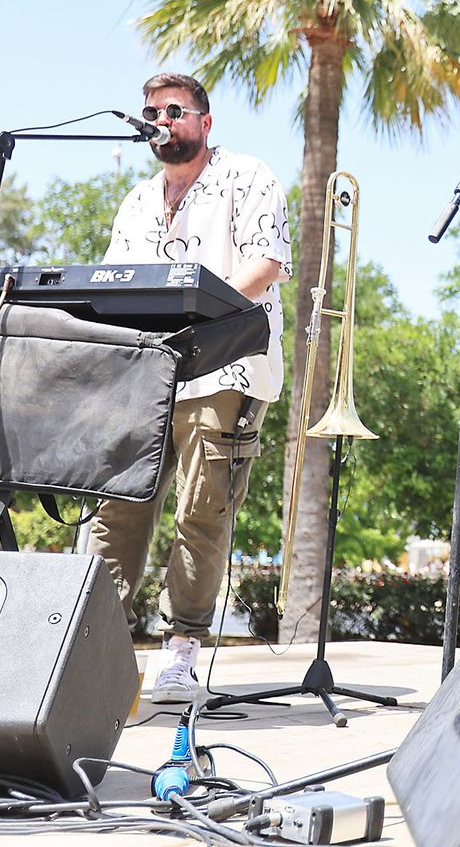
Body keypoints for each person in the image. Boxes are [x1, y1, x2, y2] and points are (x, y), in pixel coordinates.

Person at [87, 72, 290, 703]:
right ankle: (94, 653)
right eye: (152, 112)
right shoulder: (137, 199)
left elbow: (267, 263)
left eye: (174, 111)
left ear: (205, 121)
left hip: (225, 365)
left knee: (201, 513)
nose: (162, 121)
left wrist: (195, 318)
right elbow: (114, 285)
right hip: (145, 372)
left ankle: (180, 656)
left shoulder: (248, 176)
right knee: (115, 512)